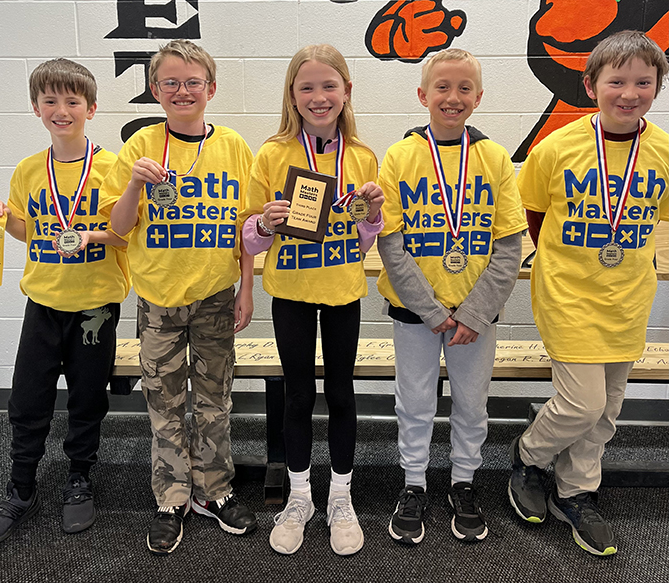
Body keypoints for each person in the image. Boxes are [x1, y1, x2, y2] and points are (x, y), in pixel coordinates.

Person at [509, 30, 669, 556]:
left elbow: (658, 218)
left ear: (657, 87)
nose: (630, 93)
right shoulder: (556, 148)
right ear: (590, 84)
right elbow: (534, 214)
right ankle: (529, 454)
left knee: (606, 412)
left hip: (628, 299)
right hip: (569, 296)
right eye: (616, 81)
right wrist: (567, 263)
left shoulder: (663, 151)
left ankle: (576, 491)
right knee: (582, 404)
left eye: (643, 82)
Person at [98, 40, 256, 555]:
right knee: (164, 403)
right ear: (154, 89)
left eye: (193, 82)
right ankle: (171, 497)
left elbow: (246, 227)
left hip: (216, 295)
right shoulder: (141, 145)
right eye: (171, 82)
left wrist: (247, 288)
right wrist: (133, 187)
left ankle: (214, 490)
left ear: (211, 88)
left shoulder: (234, 146)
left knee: (214, 401)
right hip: (158, 300)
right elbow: (118, 229)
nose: (182, 91)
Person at [0, 59, 130, 546]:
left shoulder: (111, 167)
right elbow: (31, 231)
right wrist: (3, 219)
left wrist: (91, 236)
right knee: (27, 398)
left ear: (91, 108)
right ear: (35, 107)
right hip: (42, 302)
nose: (61, 110)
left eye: (72, 101)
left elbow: (126, 235)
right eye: (50, 101)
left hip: (95, 306)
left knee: (87, 398)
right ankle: (21, 488)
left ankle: (79, 478)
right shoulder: (28, 170)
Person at [377, 48, 527, 545]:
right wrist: (431, 310)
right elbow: (390, 242)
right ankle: (413, 484)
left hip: (475, 315)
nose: (453, 97)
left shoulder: (494, 158)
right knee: (415, 401)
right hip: (415, 312)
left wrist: (476, 312)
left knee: (471, 402)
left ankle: (463, 482)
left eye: (465, 88)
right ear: (423, 95)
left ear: (479, 97)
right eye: (442, 87)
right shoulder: (400, 157)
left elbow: (509, 246)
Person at [239, 44, 384, 556]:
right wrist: (264, 224)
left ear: (347, 91)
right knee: (298, 396)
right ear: (292, 94)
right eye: (307, 87)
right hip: (292, 295)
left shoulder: (363, 156)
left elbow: (363, 242)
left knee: (341, 394)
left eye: (329, 86)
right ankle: (300, 496)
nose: (318, 97)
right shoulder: (272, 153)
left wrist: (372, 216)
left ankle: (341, 496)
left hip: (343, 292)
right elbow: (248, 238)